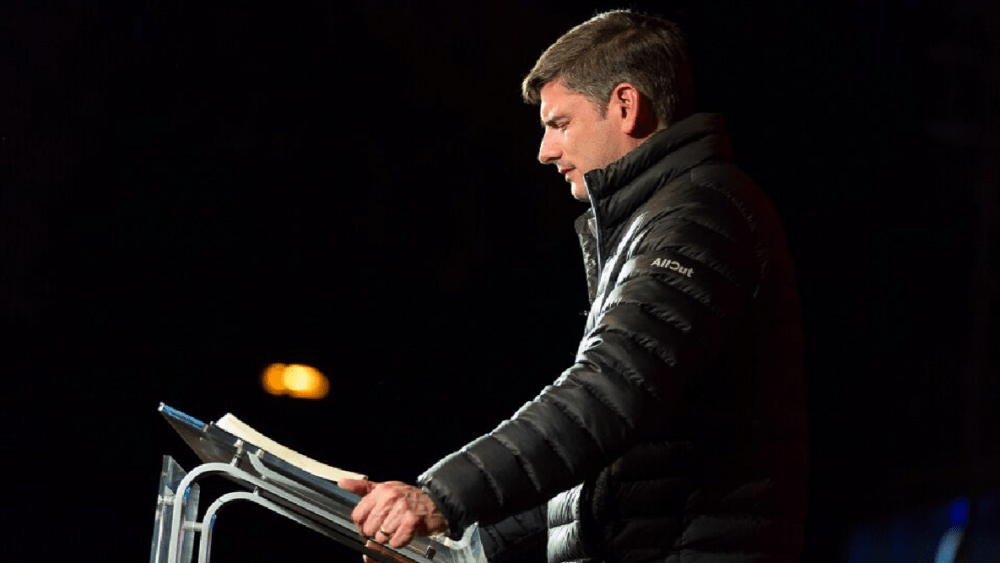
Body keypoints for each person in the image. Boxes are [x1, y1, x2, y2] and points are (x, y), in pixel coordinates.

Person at [341, 9, 808, 563]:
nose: (545, 150)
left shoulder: (700, 215)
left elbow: (608, 392)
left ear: (626, 106)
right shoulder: (659, 217)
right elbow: (613, 463)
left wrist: (441, 496)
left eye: (560, 123)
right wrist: (463, 544)